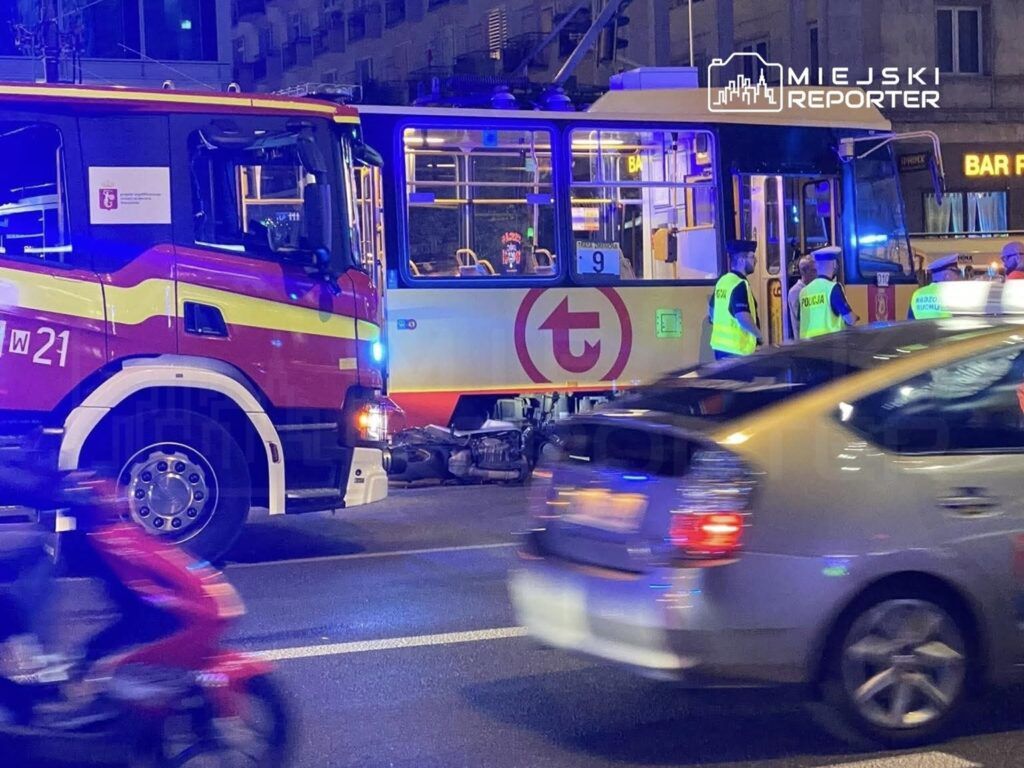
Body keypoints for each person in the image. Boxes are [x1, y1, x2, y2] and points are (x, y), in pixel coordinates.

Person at [708, 239, 762, 359]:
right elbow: (743, 317)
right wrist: (758, 335)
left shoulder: (723, 281)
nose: (756, 261)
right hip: (737, 349)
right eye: (752, 257)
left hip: (720, 347)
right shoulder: (739, 283)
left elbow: (711, 311)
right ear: (741, 260)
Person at [798, 246, 859, 339]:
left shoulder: (803, 291)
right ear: (834, 264)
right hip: (829, 343)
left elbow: (800, 319)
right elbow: (850, 319)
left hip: (806, 344)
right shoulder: (833, 288)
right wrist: (856, 317)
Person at [908, 253, 961, 320]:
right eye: (957, 272)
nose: (958, 277)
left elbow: (910, 321)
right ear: (947, 276)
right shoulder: (953, 294)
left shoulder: (917, 294)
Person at [788, 255, 817, 340]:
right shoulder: (795, 292)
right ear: (804, 271)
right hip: (803, 339)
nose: (816, 274)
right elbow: (801, 317)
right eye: (813, 270)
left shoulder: (813, 288)